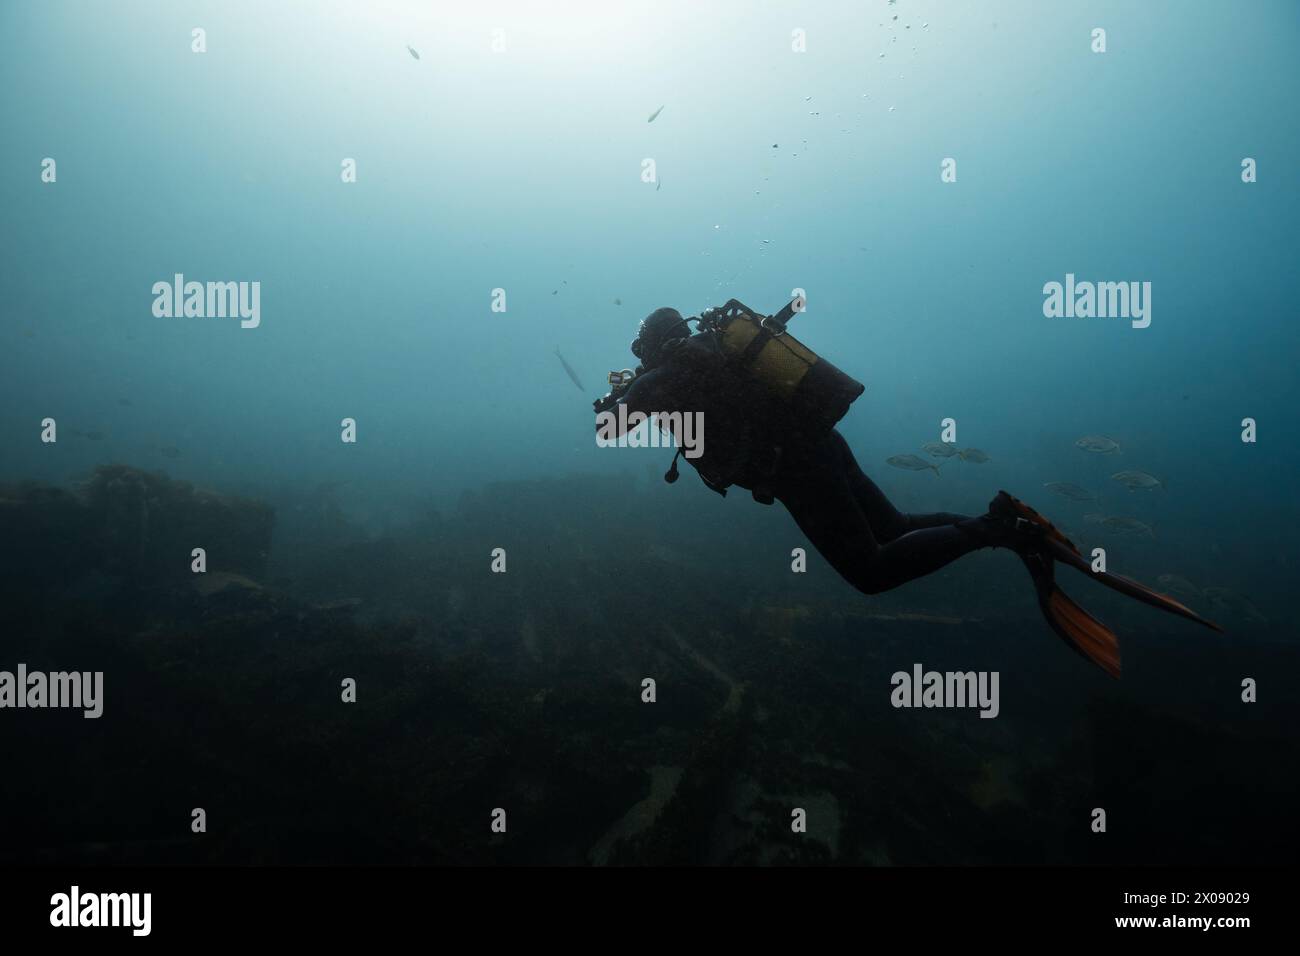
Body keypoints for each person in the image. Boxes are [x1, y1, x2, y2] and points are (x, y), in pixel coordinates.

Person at [595, 302, 1221, 678]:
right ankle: (1002, 522)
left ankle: (998, 530)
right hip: (821, 447)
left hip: (797, 470)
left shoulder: (668, 372)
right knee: (892, 529)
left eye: (641, 349)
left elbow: (608, 428)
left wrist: (619, 393)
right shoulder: (713, 351)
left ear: (654, 343)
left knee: (870, 571)